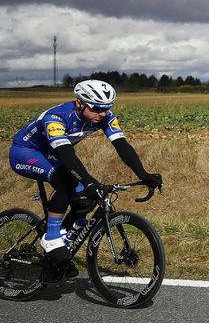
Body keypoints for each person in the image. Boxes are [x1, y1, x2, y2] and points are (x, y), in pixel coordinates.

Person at [9, 79, 164, 263]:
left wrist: (144, 175)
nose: (102, 113)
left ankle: (61, 247)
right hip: (26, 152)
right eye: (96, 108)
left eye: (106, 108)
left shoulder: (105, 117)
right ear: (79, 103)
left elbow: (122, 146)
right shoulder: (56, 118)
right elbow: (67, 155)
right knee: (66, 181)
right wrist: (88, 181)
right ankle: (51, 238)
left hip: (53, 153)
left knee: (86, 198)